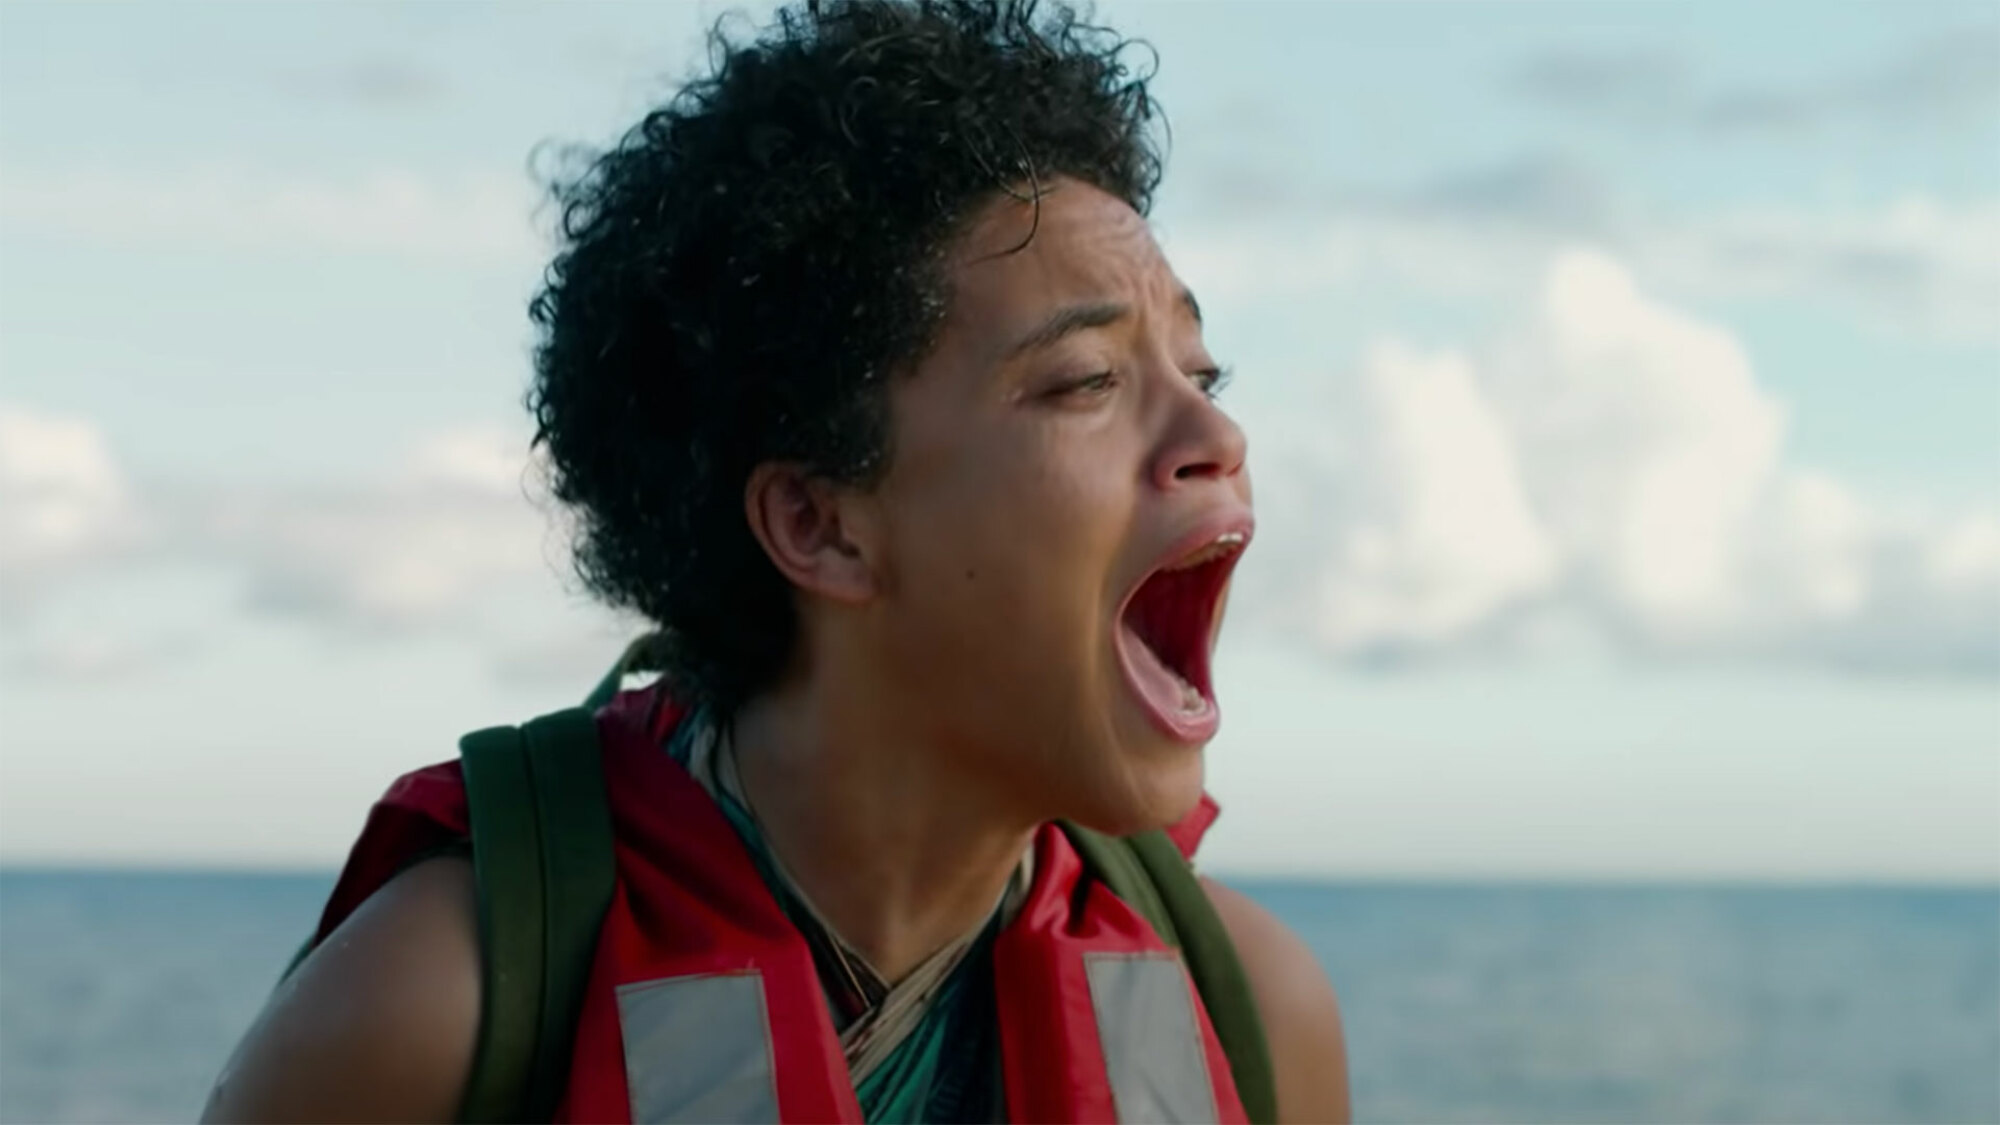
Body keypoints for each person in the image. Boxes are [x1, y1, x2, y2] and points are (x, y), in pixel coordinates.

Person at [203, 0, 1348, 1121]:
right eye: (1085, 381)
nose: (1218, 442)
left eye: (1203, 376)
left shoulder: (1253, 1014)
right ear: (819, 524)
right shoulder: (429, 1015)